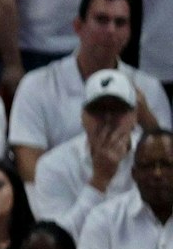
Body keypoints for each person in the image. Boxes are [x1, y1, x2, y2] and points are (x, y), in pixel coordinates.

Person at [8, 0, 169, 176]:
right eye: (102, 20)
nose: (111, 30)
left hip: (131, 200)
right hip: (59, 199)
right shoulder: (37, 84)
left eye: (120, 23)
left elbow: (167, 166)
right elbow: (29, 168)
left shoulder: (149, 87)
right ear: (78, 26)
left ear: (129, 33)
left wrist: (146, 119)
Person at [31, 69, 142, 236]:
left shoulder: (156, 159)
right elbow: (56, 241)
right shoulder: (53, 165)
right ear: (82, 117)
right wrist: (99, 182)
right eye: (98, 110)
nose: (108, 119)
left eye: (117, 110)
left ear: (134, 117)